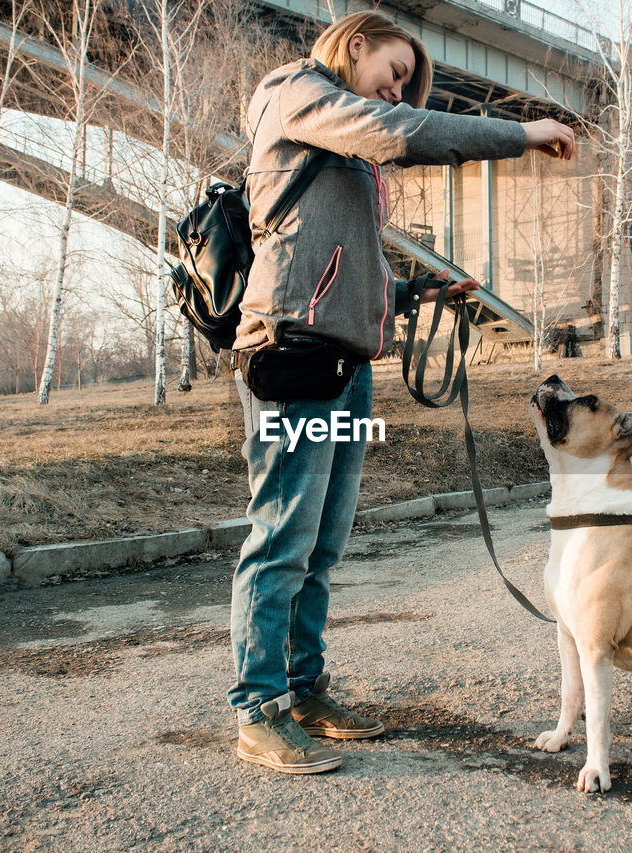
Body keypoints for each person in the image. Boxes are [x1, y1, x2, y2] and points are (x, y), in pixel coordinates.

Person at [229, 10, 575, 775]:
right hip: (291, 356)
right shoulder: (296, 94)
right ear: (357, 44)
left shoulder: (341, 140)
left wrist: (416, 289)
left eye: (406, 84)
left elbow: (343, 257)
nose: (399, 90)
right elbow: (407, 132)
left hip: (345, 367)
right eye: (394, 71)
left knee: (321, 542)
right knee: (282, 536)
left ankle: (304, 687)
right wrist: (519, 134)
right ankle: (258, 709)